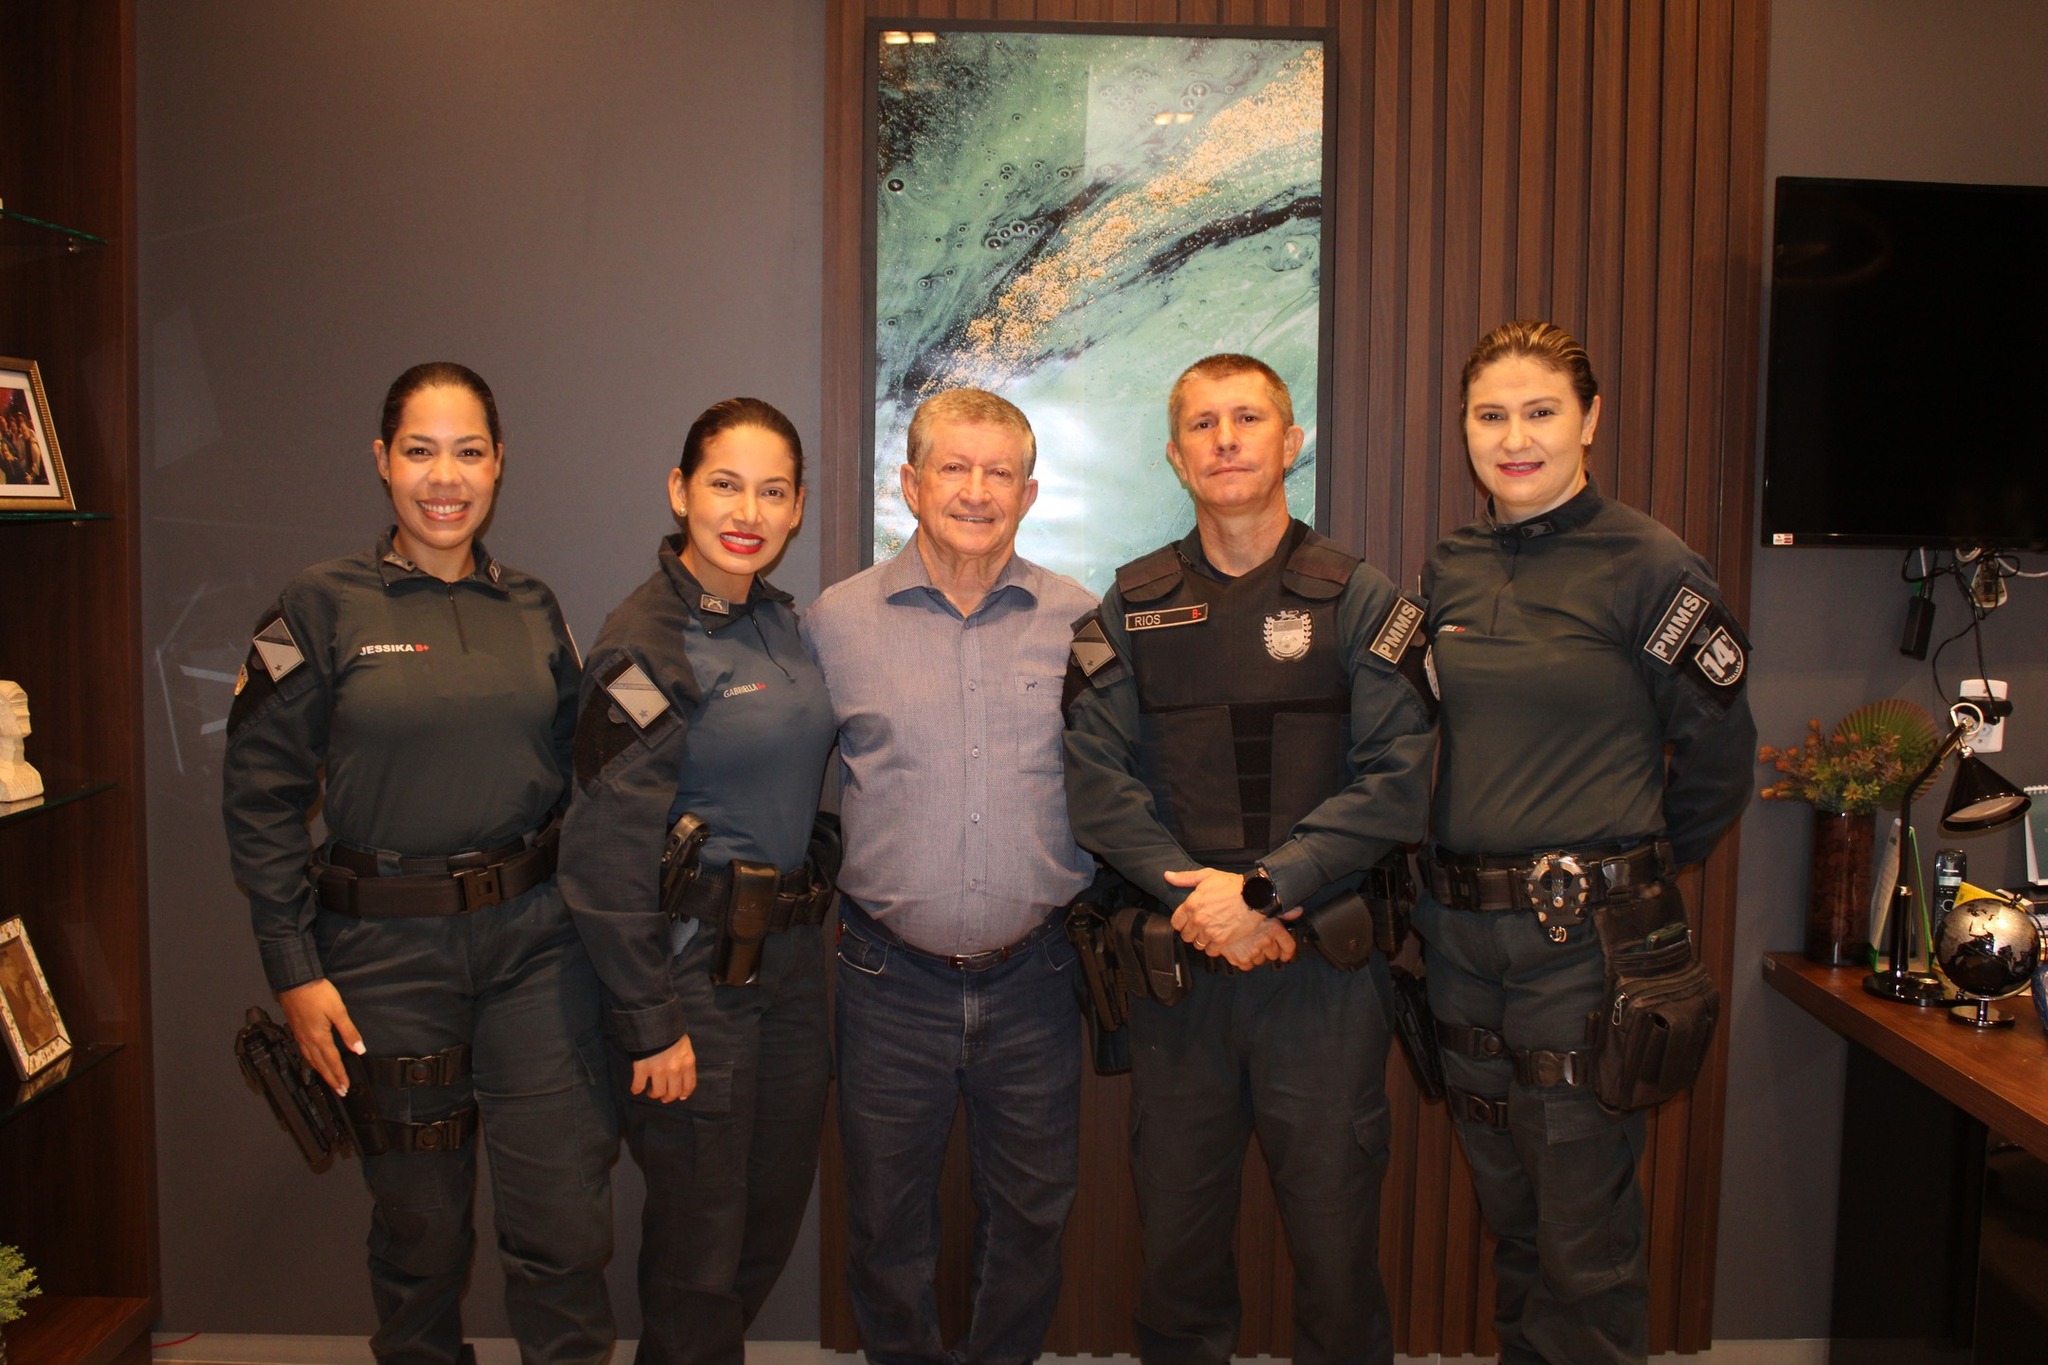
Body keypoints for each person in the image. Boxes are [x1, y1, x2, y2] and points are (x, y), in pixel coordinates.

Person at [221, 362, 614, 1365]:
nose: (446, 478)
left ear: (499, 464)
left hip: (534, 954)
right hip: (385, 966)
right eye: (420, 450)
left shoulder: (534, 608)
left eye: (469, 451)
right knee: (420, 1237)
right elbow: (259, 794)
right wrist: (294, 970)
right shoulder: (318, 606)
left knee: (564, 1231)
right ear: (382, 461)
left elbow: (587, 776)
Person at [1062, 353, 1435, 1365]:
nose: (1224, 440)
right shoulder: (1129, 605)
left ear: (1289, 442)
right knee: (1176, 1258)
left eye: (1246, 419)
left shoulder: (1361, 600)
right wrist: (1208, 906)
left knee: (1334, 1256)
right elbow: (1096, 784)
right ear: (1174, 455)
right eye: (1201, 424)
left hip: (1319, 976)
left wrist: (1265, 894)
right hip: (1179, 972)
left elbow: (1395, 784)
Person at [1414, 321, 1755, 1365]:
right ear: (1463, 428)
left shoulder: (1652, 565)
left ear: (1589, 421)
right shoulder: (1450, 565)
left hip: (1585, 944)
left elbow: (1714, 764)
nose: (1512, 438)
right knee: (1511, 1221)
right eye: (1489, 415)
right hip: (1461, 944)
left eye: (1539, 411)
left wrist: (1621, 872)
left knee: (1583, 1238)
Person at [801, 388, 1096, 1365]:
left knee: (1032, 1217)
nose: (975, 491)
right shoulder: (836, 623)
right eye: (953, 469)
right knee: (885, 1225)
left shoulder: (1081, 625)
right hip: (889, 983)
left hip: (1037, 981)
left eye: (997, 472)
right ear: (910, 483)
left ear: (1029, 489)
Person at [557, 397, 838, 1365]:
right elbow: (598, 853)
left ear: (797, 506)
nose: (745, 509)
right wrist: (648, 1018)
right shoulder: (643, 639)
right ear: (679, 491)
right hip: (692, 980)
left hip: (794, 966)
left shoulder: (782, 625)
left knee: (764, 1220)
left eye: (770, 490)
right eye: (724, 483)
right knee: (697, 1250)